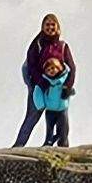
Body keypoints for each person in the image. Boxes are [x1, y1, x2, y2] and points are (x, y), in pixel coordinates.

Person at [16, 14, 76, 148]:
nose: (50, 27)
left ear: (58, 27)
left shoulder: (62, 46)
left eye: (53, 24)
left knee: (62, 118)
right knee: (32, 116)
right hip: (40, 87)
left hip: (58, 88)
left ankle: (62, 145)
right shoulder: (37, 45)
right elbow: (30, 66)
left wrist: (67, 87)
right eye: (47, 25)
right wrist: (41, 84)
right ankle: (18, 146)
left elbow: (72, 67)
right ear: (42, 27)